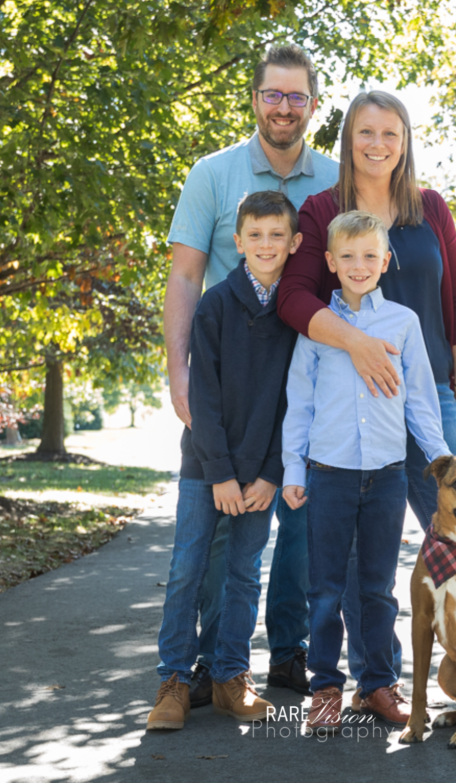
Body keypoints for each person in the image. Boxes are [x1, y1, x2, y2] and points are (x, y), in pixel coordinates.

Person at [276, 90, 456, 695]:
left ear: (406, 141)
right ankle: (374, 680)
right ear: (347, 141)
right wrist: (357, 346)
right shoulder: (319, 211)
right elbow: (293, 299)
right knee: (356, 564)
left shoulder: (430, 209)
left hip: (429, 398)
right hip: (352, 405)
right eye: (365, 132)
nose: (378, 144)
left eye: (391, 133)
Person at [162, 44, 339, 703]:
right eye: (274, 94)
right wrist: (178, 371)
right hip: (230, 386)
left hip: (311, 384)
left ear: (312, 106)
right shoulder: (212, 174)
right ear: (256, 99)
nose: (284, 107)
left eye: (297, 96)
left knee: (298, 522)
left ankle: (288, 653)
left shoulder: (335, 180)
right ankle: (210, 664)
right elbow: (183, 275)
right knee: (215, 538)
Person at [281, 211, 452, 733]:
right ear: (330, 262)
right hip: (328, 475)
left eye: (370, 256)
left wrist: (444, 464)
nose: (359, 266)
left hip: (387, 476)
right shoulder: (317, 329)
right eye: (348, 257)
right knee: (327, 590)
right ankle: (325, 690)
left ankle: (377, 685)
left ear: (385, 261)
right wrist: (294, 468)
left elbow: (421, 401)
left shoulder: (402, 323)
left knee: (378, 587)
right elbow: (299, 405)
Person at [147, 191, 302, 730]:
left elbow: (296, 402)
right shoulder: (214, 305)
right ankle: (173, 680)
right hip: (205, 469)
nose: (265, 244)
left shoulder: (296, 314)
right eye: (254, 235)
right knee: (187, 569)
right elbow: (203, 398)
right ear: (236, 242)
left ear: (295, 243)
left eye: (276, 235)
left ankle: (232, 676)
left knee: (242, 573)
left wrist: (270, 474)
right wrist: (220, 474)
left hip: (262, 475)